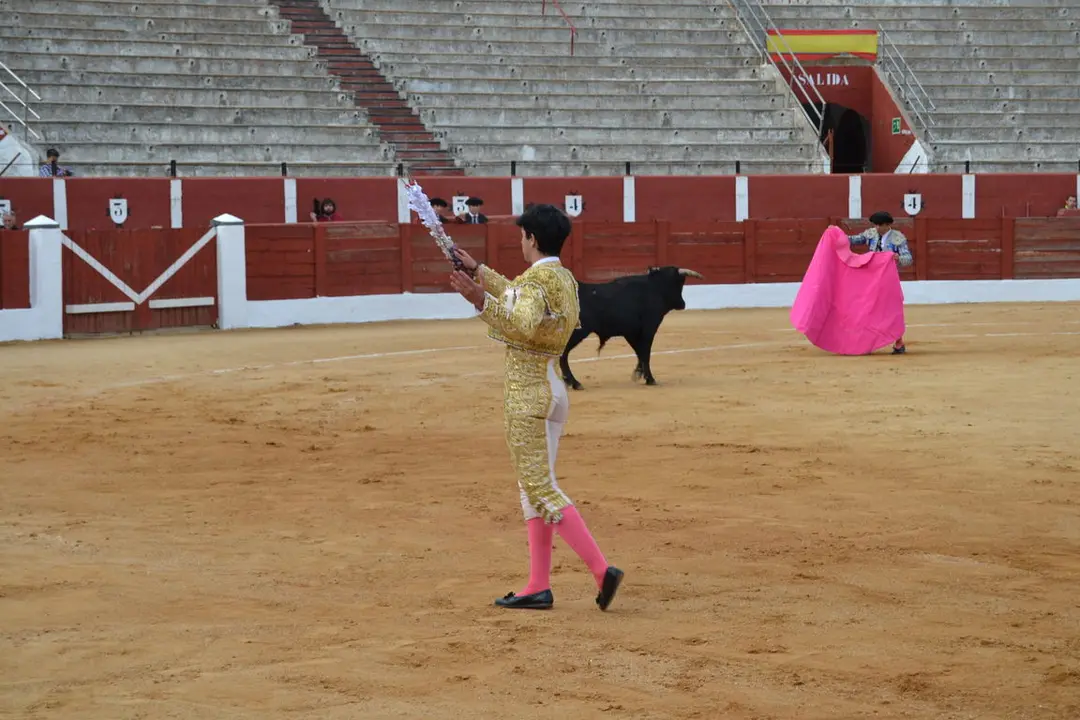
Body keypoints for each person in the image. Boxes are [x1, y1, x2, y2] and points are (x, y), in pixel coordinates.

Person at [448, 203, 624, 612]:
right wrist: (479, 271)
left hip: (529, 395)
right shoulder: (561, 278)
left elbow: (522, 321)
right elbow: (520, 299)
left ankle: (601, 570)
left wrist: (480, 300)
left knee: (541, 488)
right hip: (553, 388)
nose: (520, 241)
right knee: (534, 488)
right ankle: (538, 585)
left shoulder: (535, 281)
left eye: (522, 235)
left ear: (531, 238)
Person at [848, 211, 912, 354]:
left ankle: (899, 343)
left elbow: (908, 259)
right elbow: (853, 240)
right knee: (867, 309)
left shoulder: (898, 238)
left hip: (889, 281)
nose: (876, 228)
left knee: (891, 310)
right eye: (875, 225)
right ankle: (867, 343)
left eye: (879, 225)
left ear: (887, 225)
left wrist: (898, 258)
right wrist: (835, 235)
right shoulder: (871, 233)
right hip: (871, 279)